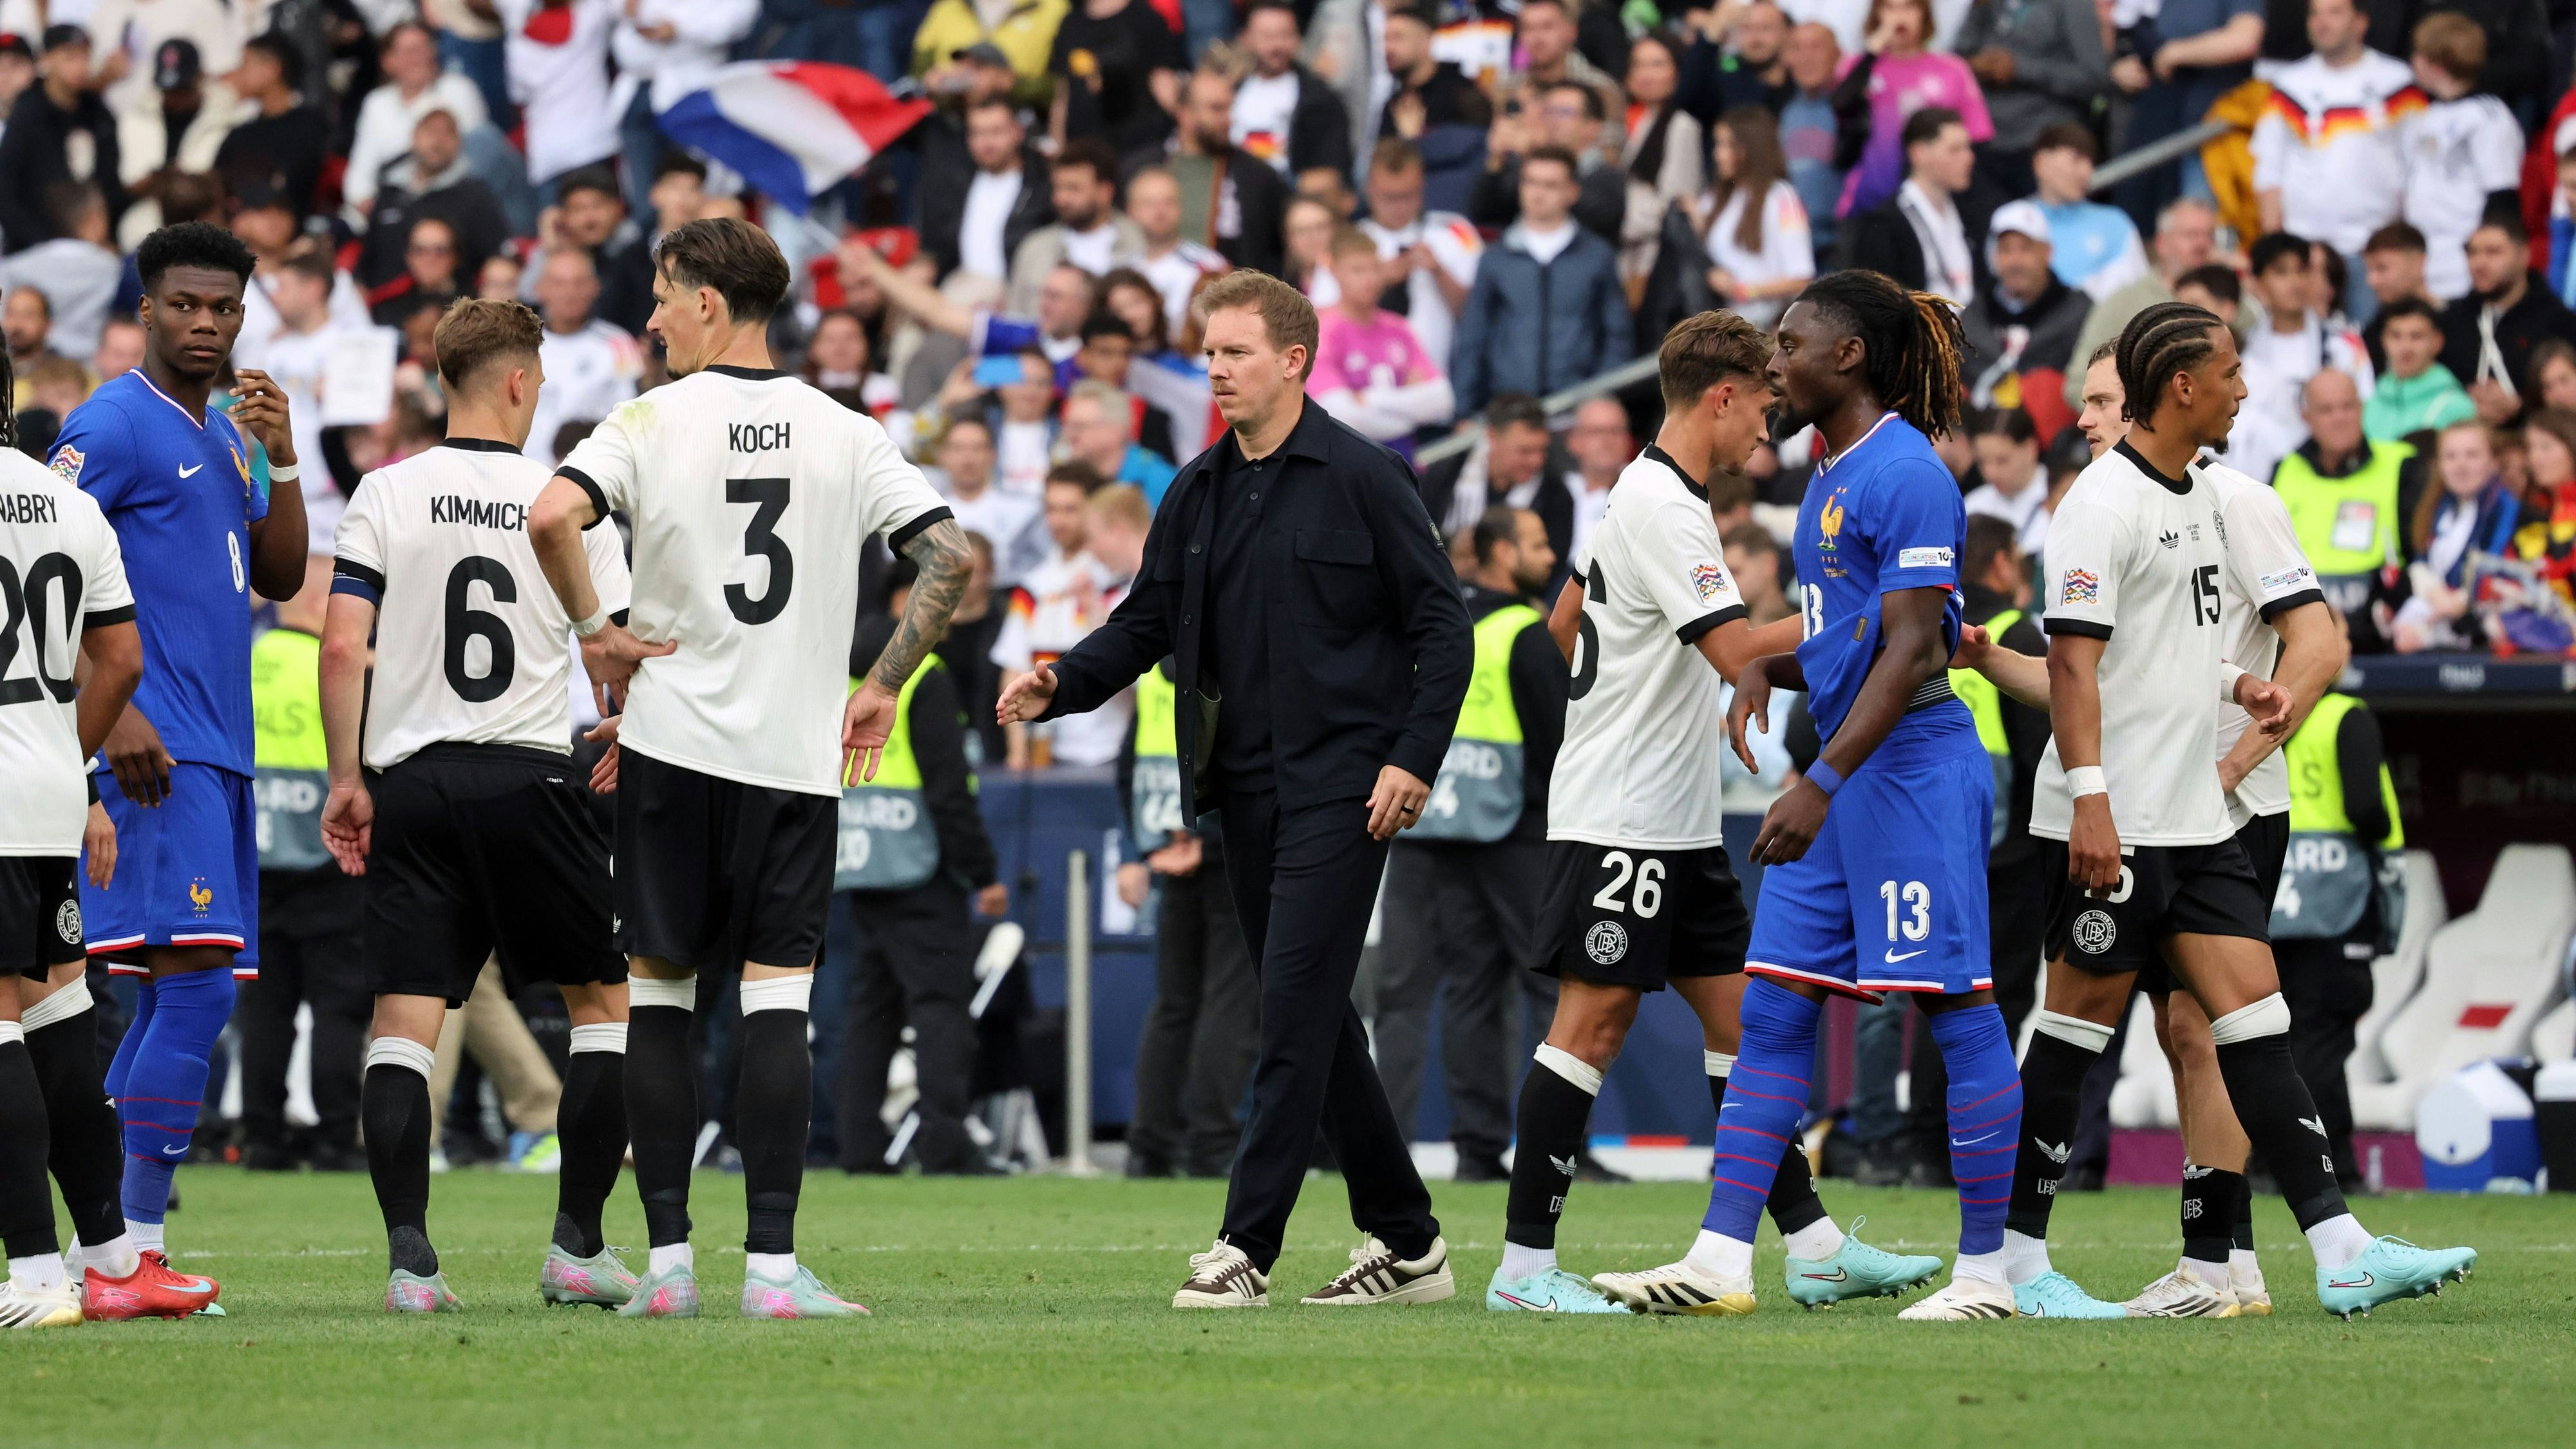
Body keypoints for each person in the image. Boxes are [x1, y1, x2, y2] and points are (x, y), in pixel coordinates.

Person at [996, 269, 1474, 1310]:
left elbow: (1445, 628)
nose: (1214, 369)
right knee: (1312, 1019)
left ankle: (1244, 1247)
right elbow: (1145, 623)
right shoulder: (1197, 490)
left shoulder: (1365, 475)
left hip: (1348, 790)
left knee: (1291, 1012)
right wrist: (1062, 682)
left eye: (1235, 351)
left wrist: (1412, 759)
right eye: (1207, 352)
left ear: (1294, 360)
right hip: (1242, 796)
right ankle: (1409, 1244)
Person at [525, 216, 970, 1319]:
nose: (654, 319)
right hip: (791, 757)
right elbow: (949, 557)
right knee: (780, 1006)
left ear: (713, 305)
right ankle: (771, 1269)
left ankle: (668, 1267)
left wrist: (595, 630)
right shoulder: (845, 430)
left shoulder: (646, 420)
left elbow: (550, 516)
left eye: (667, 296)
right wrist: (882, 684)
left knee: (662, 1001)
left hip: (669, 750)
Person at [2007, 298, 2474, 1320]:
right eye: (2230, 371)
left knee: (2251, 1022)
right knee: (2077, 1030)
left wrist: (2245, 696)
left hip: (2201, 815)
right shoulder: (2099, 503)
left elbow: (2171, 652)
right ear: (2183, 386)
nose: (2246, 388)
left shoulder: (2213, 498)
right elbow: (2079, 671)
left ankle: (2334, 1248)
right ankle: (2014, 1261)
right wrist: (2089, 799)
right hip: (2118, 816)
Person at [1581, 272, 2023, 1321]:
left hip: (1908, 771)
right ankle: (1724, 1261)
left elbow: (1916, 651)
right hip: (1839, 778)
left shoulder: (1908, 474)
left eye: (1790, 343)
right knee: (1773, 1008)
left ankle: (1987, 1277)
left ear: (1849, 356)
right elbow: (1847, 636)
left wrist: (1819, 780)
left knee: (1953, 1008)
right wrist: (1756, 670)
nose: (1771, 362)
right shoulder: (1827, 475)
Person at [1492, 310, 1940, 1317]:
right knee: (1592, 1023)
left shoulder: (1638, 494)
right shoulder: (1662, 503)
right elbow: (1739, 653)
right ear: (1724, 394)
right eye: (1765, 409)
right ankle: (1523, 1271)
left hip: (1676, 817)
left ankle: (1815, 1244)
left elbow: (1563, 627)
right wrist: (1873, 612)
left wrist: (1635, 688)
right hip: (1624, 814)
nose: (1768, 437)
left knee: (1747, 1027)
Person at [312, 296, 639, 1314]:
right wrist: (628, 726)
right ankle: (577, 1247)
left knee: (404, 1026)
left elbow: (338, 644)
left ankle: (413, 1266)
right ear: (517, 382)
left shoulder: (387, 489)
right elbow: (616, 649)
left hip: (412, 780)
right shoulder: (565, 499)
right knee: (604, 1010)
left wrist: (347, 777)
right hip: (535, 775)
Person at [56, 222, 307, 1303]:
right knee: (197, 996)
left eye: (224, 308)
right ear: (146, 309)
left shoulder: (230, 429)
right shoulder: (109, 423)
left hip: (220, 752)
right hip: (155, 750)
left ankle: (99, 1248)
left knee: (177, 1000)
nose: (206, 324)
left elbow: (285, 572)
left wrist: (285, 452)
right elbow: (36, 567)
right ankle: (129, 1249)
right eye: (185, 306)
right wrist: (110, 716)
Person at [0, 352, 147, 1329]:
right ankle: (110, 1257)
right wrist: (65, 751)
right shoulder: (67, 502)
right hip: (52, 783)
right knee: (54, 1011)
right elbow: (122, 658)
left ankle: (33, 1277)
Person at [1374, 506, 1562, 1185]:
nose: (1550, 554)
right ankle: (1554, 1148)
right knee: (1548, 992)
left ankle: (1467, 1149)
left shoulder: (1429, 629)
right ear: (1500, 553)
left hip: (1427, 829)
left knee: (1455, 994)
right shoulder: (1526, 632)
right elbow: (1557, 742)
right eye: (1538, 544)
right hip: (1516, 835)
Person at [835, 557, 1010, 1176]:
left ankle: (857, 1144)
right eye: (940, 600)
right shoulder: (922, 674)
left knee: (869, 1011)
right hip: (919, 863)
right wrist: (983, 873)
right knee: (939, 1006)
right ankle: (944, 1141)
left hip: (854, 856)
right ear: (908, 598)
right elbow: (947, 790)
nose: (948, 615)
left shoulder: (836, 667)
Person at [233, 555, 367, 1175]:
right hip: (328, 853)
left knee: (265, 1011)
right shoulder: (337, 671)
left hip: (253, 859)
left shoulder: (245, 664)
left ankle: (262, 1138)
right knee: (337, 1009)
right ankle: (339, 1137)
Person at [1117, 646, 1260, 1180]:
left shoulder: (1155, 677)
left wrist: (1141, 848)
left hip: (1167, 852)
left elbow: (1128, 768)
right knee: (1229, 1003)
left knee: (1175, 1005)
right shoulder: (1230, 668)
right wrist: (1210, 836)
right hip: (1222, 853)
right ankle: (1211, 1145)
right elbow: (1237, 757)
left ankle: (1148, 1145)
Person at [2251, 0, 2414, 325]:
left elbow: (2417, 169)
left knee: (2374, 354)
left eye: (2335, 12)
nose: (2322, 22)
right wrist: (2277, 251)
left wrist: (2404, 250)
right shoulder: (2289, 85)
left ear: (2361, 22)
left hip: (2375, 252)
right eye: (2315, 13)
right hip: (2306, 253)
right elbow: (2269, 170)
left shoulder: (2396, 81)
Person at [1452, 145, 1631, 416]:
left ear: (1572, 192)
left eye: (1550, 185)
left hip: (1577, 413)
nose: (1537, 193)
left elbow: (1617, 335)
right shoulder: (1495, 259)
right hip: (1508, 412)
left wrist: (1599, 397)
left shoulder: (1597, 257)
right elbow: (1473, 336)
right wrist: (1464, 411)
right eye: (1530, 182)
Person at [2273, 368, 2410, 647]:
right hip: (2300, 634)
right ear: (2306, 417)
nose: (2340, 418)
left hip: (2380, 636)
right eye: (2327, 410)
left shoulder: (2401, 463)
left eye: (2348, 406)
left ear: (2362, 408)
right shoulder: (2284, 471)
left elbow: (2420, 554)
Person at [2399, 14, 2521, 308]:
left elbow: (2502, 195)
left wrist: (2486, 262)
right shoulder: (2425, 116)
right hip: (2426, 263)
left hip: (2463, 266)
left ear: (2437, 64)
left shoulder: (2487, 116)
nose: (2412, 61)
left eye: (2418, 55)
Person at [1832, 0, 1992, 221]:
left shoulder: (1953, 69)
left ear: (1924, 14)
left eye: (1908, 7)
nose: (1900, 17)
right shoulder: (1858, 67)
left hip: (1935, 204)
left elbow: (1978, 137)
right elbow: (1840, 105)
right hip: (1866, 203)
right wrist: (1872, 51)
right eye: (1890, 8)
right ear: (1876, 15)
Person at [2237, 232, 2375, 484]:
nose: (2294, 282)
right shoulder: (2243, 350)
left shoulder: (2342, 344)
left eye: (2302, 271)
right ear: (2257, 283)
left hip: (2332, 472)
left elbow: (2366, 407)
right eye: (2281, 272)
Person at [1307, 227, 1452, 459]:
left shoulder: (1398, 328)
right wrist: (1411, 413)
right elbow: (1341, 415)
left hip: (1401, 459)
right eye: (1358, 270)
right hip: (1343, 460)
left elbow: (1441, 400)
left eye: (1375, 269)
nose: (1369, 279)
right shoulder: (1321, 332)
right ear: (1334, 271)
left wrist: (1370, 400)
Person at [2064, 198, 2219, 408]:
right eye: (2191, 235)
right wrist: (2131, 430)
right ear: (2162, 244)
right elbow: (2079, 383)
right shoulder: (2125, 302)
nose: (2203, 245)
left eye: (2210, 236)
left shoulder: (2235, 298)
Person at [1354, 140, 1482, 379]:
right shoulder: (1349, 241)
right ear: (1369, 189)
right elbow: (1326, 322)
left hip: (1440, 380)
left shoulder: (1455, 230)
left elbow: (1478, 314)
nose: (1400, 207)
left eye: (1409, 196)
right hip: (1365, 386)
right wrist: (1380, 280)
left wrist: (1439, 272)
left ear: (1422, 186)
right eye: (1389, 198)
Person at [340, 21, 488, 226]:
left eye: (425, 47)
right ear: (388, 61)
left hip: (447, 205)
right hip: (386, 207)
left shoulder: (459, 90)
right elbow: (361, 169)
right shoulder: (376, 103)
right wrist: (366, 201)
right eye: (411, 51)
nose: (421, 57)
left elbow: (477, 161)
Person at [1951, 0, 2105, 196]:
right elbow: (1957, 58)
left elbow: (2093, 80)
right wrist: (1976, 64)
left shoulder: (2074, 5)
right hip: (1984, 143)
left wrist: (2020, 69)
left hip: (2041, 142)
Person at [2393, 420, 2520, 651]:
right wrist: (2434, 595)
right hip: (2437, 615)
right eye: (2450, 457)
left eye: (2472, 455)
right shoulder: (2436, 506)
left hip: (2483, 625)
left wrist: (2455, 603)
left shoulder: (2506, 507)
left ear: (2493, 461)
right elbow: (2421, 561)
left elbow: (2494, 565)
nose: (2461, 466)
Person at [1962, 200, 2090, 428]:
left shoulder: (2079, 314)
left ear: (2048, 253)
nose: (2015, 261)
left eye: (2026, 248)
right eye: (2006, 249)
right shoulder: (1972, 318)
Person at [2439, 215, 2576, 426]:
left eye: (2493, 252)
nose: (2479, 263)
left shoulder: (2559, 322)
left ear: (2524, 256)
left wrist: (2519, 406)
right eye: (2472, 253)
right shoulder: (2452, 319)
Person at [0, 27, 124, 256]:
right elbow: (7, 191)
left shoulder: (98, 113)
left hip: (93, 240)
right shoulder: (27, 113)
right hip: (34, 245)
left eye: (85, 57)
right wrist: (42, 241)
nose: (79, 67)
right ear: (45, 60)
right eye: (69, 57)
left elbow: (110, 183)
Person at [1836, 107, 1978, 306]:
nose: (1969, 158)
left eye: (1968, 147)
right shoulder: (1886, 223)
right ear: (1918, 153)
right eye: (1955, 149)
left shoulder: (1970, 212)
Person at [1156, 67, 1289, 277]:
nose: (1229, 119)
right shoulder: (1148, 167)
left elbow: (1276, 251)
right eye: (1217, 109)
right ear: (1185, 113)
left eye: (1230, 109)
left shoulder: (1258, 176)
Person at [1700, 106, 1816, 331]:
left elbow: (1802, 277)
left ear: (1751, 148)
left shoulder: (1781, 197)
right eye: (1717, 144)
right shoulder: (1718, 197)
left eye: (1728, 146)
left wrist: (1743, 289)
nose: (1718, 154)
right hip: (1722, 326)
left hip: (1762, 327)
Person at [525, 249, 641, 468]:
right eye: (559, 283)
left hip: (592, 477)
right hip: (526, 476)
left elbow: (634, 417)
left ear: (595, 287)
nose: (570, 293)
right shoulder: (519, 345)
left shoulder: (619, 344)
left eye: (579, 283)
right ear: (540, 288)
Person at [923, 95, 1055, 285]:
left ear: (1018, 132)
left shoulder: (1042, 184)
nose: (987, 142)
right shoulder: (956, 182)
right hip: (959, 281)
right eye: (977, 133)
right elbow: (939, 243)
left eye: (996, 131)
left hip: (1020, 287)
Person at [1006, 140, 1144, 316]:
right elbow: (1016, 318)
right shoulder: (1035, 248)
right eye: (1058, 188)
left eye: (1073, 189)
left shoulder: (1138, 243)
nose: (1061, 198)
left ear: (1105, 192)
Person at [1228, 1, 1352, 178]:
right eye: (1267, 36)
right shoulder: (1229, 91)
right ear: (1247, 38)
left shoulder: (1321, 99)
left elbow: (1332, 168)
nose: (1277, 46)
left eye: (1285, 35)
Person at [1619, 33, 1706, 285]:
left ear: (1677, 71)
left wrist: (1615, 215)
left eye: (1658, 64)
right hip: (1630, 258)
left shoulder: (1682, 125)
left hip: (1656, 264)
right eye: (1639, 64)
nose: (1647, 74)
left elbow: (1674, 206)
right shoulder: (1635, 121)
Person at [2028, 125, 2146, 305]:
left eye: (2090, 162)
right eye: (2076, 160)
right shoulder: (2013, 223)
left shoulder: (2115, 223)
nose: (2087, 172)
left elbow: (2137, 298)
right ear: (2041, 164)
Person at [0, 185, 120, 361]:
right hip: (89, 365)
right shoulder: (112, 267)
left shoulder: (14, 267)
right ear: (94, 220)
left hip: (26, 362)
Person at [928, 416, 1047, 585]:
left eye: (977, 448)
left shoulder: (1023, 510)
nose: (968, 459)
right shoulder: (925, 515)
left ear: (993, 455)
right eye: (958, 448)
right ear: (943, 456)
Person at [1777, 22, 1846, 256]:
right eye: (1797, 49)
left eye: (1816, 48)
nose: (1806, 58)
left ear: (1837, 55)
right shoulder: (1787, 112)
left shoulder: (1852, 109)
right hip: (1798, 247)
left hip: (1844, 247)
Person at [2364, 298, 2476, 440]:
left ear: (2438, 342)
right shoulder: (2369, 404)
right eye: (2396, 336)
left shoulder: (2458, 407)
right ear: (2383, 341)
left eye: (2416, 337)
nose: (2405, 347)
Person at [1964, 406, 2050, 556]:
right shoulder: (1973, 506)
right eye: (1982, 462)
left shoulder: (2059, 495)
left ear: (2030, 448)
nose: (1991, 473)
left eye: (2002, 461)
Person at [1563, 395, 1630, 566]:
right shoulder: (1556, 492)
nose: (1607, 441)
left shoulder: (1645, 485)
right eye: (1596, 432)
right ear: (1574, 440)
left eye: (1615, 431)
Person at [2358, 223, 2432, 371]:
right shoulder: (2372, 334)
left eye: (2382, 268)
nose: (2371, 281)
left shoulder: (2457, 322)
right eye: (2369, 270)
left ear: (2419, 263)